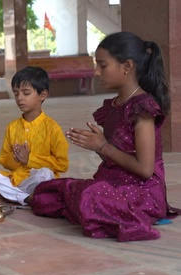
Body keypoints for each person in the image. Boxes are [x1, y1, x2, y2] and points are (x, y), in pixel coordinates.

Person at [30, 31, 179, 241]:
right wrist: (96, 145)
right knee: (52, 190)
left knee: (92, 195)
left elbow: (145, 170)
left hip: (143, 192)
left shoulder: (143, 108)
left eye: (103, 65)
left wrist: (103, 146)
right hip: (113, 184)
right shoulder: (113, 106)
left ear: (127, 67)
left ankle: (112, 214)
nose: (97, 72)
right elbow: (116, 159)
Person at [0, 66, 69, 205]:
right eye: (16, 93)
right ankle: (24, 198)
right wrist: (15, 158)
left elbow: (62, 164)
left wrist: (29, 159)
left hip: (35, 181)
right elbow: (4, 160)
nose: (19, 98)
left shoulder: (52, 128)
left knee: (45, 174)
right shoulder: (12, 127)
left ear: (42, 95)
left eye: (26, 93)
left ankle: (10, 195)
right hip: (15, 179)